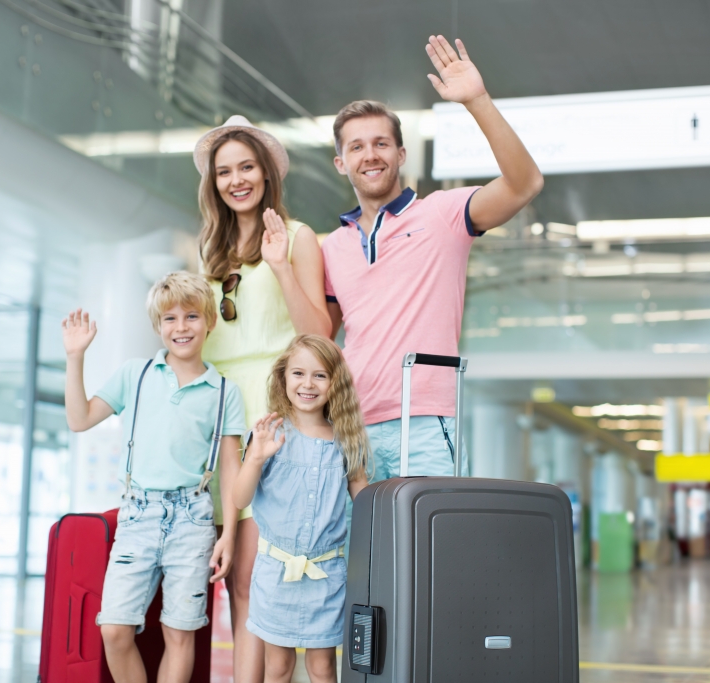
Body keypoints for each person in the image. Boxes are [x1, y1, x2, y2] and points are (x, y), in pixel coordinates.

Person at [323, 35, 544, 484]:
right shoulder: (332, 246)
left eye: (382, 144)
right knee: (361, 555)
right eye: (357, 147)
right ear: (341, 163)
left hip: (423, 421)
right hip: (350, 426)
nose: (370, 155)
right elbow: (320, 337)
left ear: (401, 155)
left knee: (425, 551)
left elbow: (525, 184)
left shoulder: (443, 214)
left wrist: (477, 100)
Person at [193, 115, 331, 682]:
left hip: (271, 414)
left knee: (256, 577)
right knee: (233, 579)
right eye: (224, 171)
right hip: (220, 416)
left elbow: (318, 334)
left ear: (267, 173)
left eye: (246, 166)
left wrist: (278, 264)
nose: (235, 180)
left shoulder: (297, 237)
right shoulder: (212, 251)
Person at [62, 271, 246, 683]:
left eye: (191, 316)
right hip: (138, 516)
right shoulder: (136, 374)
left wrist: (228, 535)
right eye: (169, 319)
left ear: (210, 321)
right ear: (157, 326)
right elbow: (79, 419)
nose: (181, 327)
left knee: (179, 633)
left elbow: (231, 469)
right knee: (114, 628)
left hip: (194, 520)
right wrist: (76, 358)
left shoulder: (223, 392)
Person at [233, 335, 370, 683]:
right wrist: (255, 460)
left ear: (335, 382)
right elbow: (239, 499)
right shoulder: (269, 435)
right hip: (276, 575)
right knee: (277, 668)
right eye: (298, 373)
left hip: (326, 577)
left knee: (323, 668)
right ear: (283, 377)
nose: (307, 384)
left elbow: (365, 499)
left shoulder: (346, 439)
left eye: (320, 375)